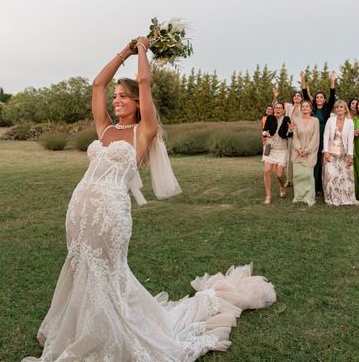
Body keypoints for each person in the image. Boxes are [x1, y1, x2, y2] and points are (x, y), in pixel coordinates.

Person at [23, 37, 276, 362]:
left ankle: (113, 335)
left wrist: (142, 50)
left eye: (123, 97)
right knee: (81, 267)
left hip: (111, 213)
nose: (116, 101)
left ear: (138, 103)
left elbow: (144, 80)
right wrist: (122, 53)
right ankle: (82, 331)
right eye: (116, 97)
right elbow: (97, 84)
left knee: (108, 275)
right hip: (79, 210)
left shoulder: (143, 132)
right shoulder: (105, 130)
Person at [302, 70, 337, 198]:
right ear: (315, 100)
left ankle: (323, 187)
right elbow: (305, 95)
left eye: (321, 97)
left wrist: (332, 81)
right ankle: (314, 187)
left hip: (325, 138)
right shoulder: (313, 109)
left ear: (324, 99)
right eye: (317, 97)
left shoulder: (327, 109)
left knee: (324, 163)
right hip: (313, 138)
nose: (319, 99)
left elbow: (333, 95)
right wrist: (303, 78)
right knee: (314, 162)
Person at [322, 100, 358, 206]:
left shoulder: (350, 121)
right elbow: (325, 136)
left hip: (344, 152)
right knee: (331, 175)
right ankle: (332, 198)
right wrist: (326, 151)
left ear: (345, 109)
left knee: (345, 176)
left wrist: (350, 155)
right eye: (337, 107)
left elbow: (351, 139)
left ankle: (346, 197)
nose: (339, 109)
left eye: (341, 107)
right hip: (331, 152)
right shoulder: (330, 120)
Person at [262, 102, 293, 204]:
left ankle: (282, 186)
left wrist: (290, 130)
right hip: (270, 148)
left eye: (280, 108)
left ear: (283, 110)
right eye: (276, 108)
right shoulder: (270, 118)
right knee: (267, 171)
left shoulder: (286, 119)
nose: (278, 109)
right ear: (274, 109)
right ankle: (268, 196)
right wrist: (266, 134)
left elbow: (289, 135)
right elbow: (264, 131)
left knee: (279, 174)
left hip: (282, 149)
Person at [273, 87, 303, 187]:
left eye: (299, 96)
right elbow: (277, 108)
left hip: (301, 135)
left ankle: (299, 179)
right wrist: (275, 97)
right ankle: (289, 180)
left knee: (300, 157)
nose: (297, 97)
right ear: (292, 98)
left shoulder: (303, 107)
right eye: (295, 96)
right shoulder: (289, 107)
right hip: (290, 135)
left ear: (302, 98)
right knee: (290, 158)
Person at [291, 100, 320, 206]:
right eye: (303, 106)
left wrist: (307, 150)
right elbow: (295, 136)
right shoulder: (295, 120)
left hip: (310, 152)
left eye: (307, 106)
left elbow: (315, 137)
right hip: (297, 152)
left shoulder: (315, 120)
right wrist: (299, 149)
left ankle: (309, 197)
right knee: (298, 176)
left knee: (308, 176)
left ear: (311, 108)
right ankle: (298, 197)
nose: (305, 108)